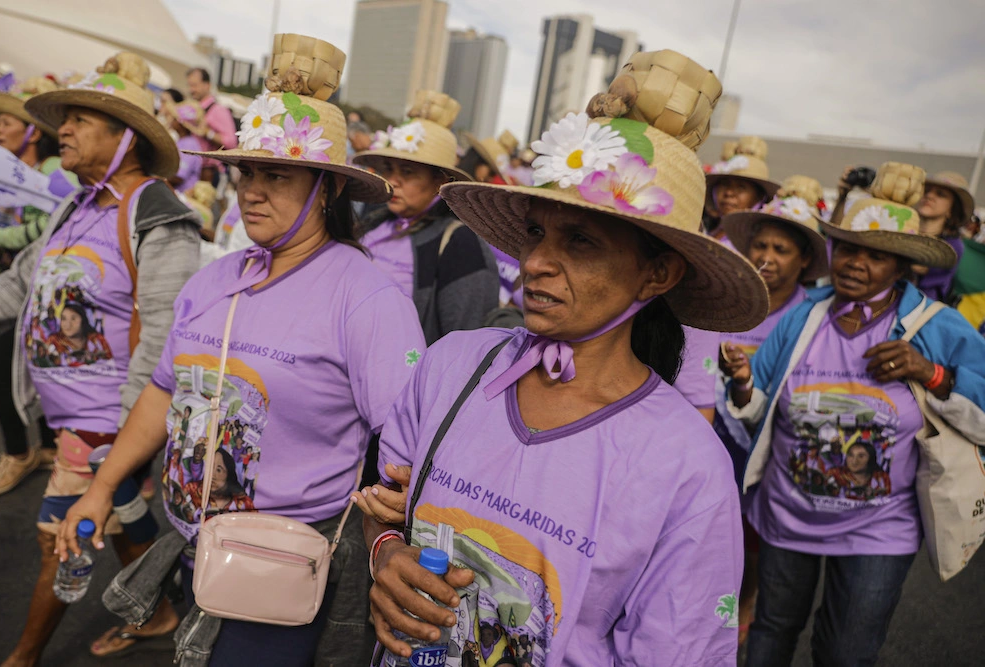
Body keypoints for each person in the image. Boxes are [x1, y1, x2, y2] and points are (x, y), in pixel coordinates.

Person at [353, 50, 769, 665]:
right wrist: (386, 551)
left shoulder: (686, 466)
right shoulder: (453, 366)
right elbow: (385, 507)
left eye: (580, 240)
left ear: (658, 272)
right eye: (537, 233)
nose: (538, 263)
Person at [57, 35, 425, 666]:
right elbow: (164, 392)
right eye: (246, 171)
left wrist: (392, 527)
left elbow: (407, 444)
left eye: (277, 174)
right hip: (188, 542)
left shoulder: (366, 298)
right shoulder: (214, 279)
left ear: (328, 190)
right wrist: (105, 484)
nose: (251, 190)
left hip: (278, 563)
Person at [0, 52, 202, 665]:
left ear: (125, 138)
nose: (66, 130)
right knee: (121, 514)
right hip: (70, 425)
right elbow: (18, 289)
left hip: (107, 426)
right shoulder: (76, 206)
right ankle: (160, 608)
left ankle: (21, 657)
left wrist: (134, 440)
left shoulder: (159, 219)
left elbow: (166, 342)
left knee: (59, 540)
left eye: (81, 119)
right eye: (67, 119)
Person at [726, 163, 985, 665]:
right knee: (772, 632)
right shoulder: (802, 315)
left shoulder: (937, 326)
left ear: (905, 265)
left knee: (847, 652)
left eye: (876, 254)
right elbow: (756, 409)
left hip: (881, 531)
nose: (854, 263)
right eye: (847, 248)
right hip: (787, 517)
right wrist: (741, 385)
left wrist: (933, 374)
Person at [715, 178, 830, 644]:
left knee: (753, 540)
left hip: (769, 445)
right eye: (759, 244)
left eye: (782, 248)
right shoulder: (726, 299)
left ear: (804, 260)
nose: (767, 256)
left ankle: (746, 601)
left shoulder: (810, 317)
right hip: (715, 435)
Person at [0, 76, 77, 495]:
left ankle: (22, 452)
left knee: (2, 366)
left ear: (32, 131)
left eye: (4, 121)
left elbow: (49, 226)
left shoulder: (58, 172)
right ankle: (43, 448)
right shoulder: (17, 170)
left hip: (42, 293)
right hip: (14, 282)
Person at [353, 90, 499, 344]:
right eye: (389, 169)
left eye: (407, 172)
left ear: (439, 182)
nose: (393, 181)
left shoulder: (461, 245)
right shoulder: (376, 221)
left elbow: (465, 344)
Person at [704, 136, 780, 246]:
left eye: (741, 188)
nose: (729, 193)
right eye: (725, 184)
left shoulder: (758, 243)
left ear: (759, 196)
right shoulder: (708, 227)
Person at [915, 171, 975, 302]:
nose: (929, 196)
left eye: (940, 194)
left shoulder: (953, 245)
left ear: (951, 210)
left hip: (921, 309)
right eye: (926, 191)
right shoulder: (903, 231)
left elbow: (920, 267)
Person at [186, 67, 237, 185]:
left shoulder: (218, 110)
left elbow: (231, 142)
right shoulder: (193, 109)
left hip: (209, 174)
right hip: (194, 171)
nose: (191, 90)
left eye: (194, 85)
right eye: (189, 85)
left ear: (207, 85)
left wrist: (208, 133)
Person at [161, 98, 206, 194]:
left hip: (181, 196)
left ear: (180, 124)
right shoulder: (183, 142)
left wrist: (156, 178)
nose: (171, 120)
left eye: (174, 118)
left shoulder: (189, 145)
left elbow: (178, 177)